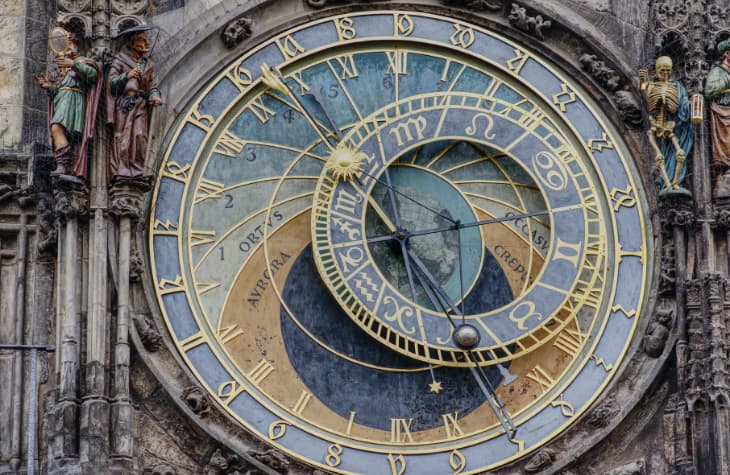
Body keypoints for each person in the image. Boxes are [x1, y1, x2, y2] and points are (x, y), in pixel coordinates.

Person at [35, 29, 102, 178]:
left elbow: (93, 75)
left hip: (74, 103)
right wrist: (49, 87)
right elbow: (60, 90)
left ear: (77, 45)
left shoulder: (83, 62)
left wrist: (74, 64)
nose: (67, 48)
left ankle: (64, 164)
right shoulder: (64, 70)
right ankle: (65, 165)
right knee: (57, 129)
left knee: (56, 127)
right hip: (63, 101)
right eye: (66, 45)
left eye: (70, 44)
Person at [106, 27, 162, 181]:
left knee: (139, 135)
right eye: (142, 40)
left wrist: (155, 95)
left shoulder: (148, 64)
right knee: (122, 136)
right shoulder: (121, 60)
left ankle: (137, 169)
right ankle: (121, 168)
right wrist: (126, 76)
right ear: (132, 43)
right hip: (124, 104)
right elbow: (111, 83)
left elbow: (152, 85)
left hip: (141, 105)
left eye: (146, 40)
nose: (146, 43)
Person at [639, 56, 692, 192]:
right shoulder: (651, 86)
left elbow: (682, 105)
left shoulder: (677, 87)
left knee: (680, 153)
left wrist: (690, 105)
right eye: (662, 71)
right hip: (656, 125)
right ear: (656, 71)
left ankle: (675, 182)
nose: (666, 74)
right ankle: (667, 184)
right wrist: (642, 80)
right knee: (661, 155)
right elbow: (643, 91)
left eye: (668, 71)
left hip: (671, 125)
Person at [705, 39, 730, 186]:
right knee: (726, 144)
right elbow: (709, 91)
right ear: (727, 54)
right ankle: (724, 171)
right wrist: (727, 81)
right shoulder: (718, 72)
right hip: (722, 113)